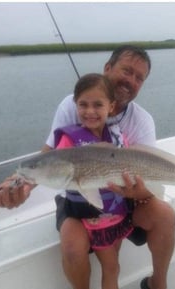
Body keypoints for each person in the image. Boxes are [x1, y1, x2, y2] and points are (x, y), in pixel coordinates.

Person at [0, 45, 175, 289]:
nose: (130, 80)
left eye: (139, 77)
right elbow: (49, 158)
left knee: (165, 215)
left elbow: (149, 181)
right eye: (126, 70)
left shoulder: (142, 121)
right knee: (72, 248)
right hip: (78, 196)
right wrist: (18, 184)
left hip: (125, 200)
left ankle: (157, 283)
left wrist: (136, 192)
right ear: (108, 68)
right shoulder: (72, 105)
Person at [55, 72, 133, 289]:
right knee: (111, 267)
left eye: (98, 104)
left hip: (113, 216)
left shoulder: (118, 138)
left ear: (111, 106)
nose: (90, 111)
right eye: (83, 104)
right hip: (83, 216)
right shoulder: (68, 140)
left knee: (112, 267)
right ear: (75, 106)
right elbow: (55, 167)